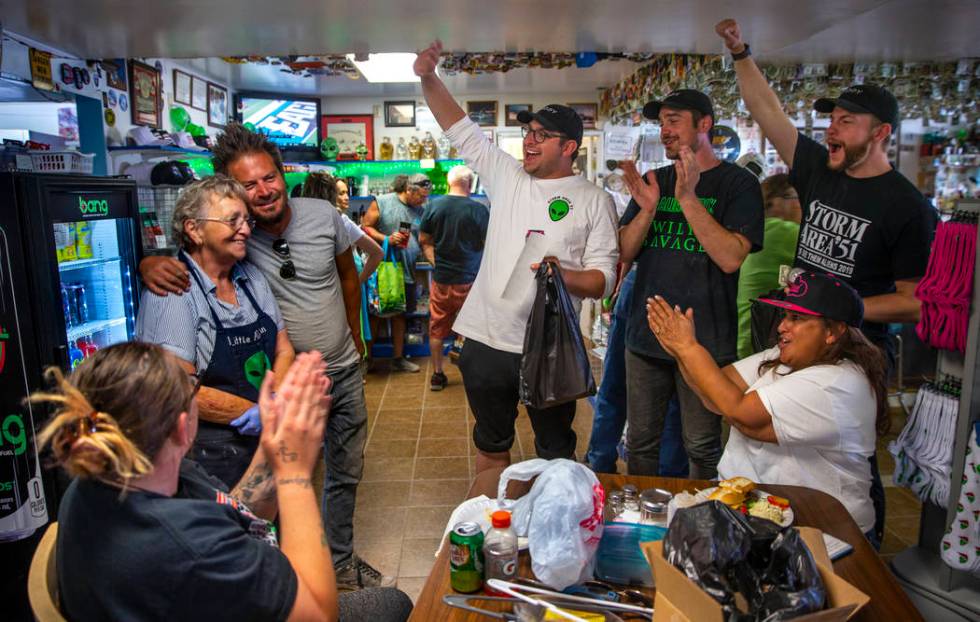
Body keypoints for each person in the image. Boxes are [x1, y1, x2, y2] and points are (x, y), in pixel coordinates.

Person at [716, 17, 937, 544]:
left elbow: (916, 304)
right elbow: (768, 112)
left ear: (880, 133)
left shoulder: (907, 207)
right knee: (783, 444)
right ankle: (786, 539)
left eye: (846, 122)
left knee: (846, 458)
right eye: (832, 120)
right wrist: (741, 53)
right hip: (798, 330)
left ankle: (862, 550)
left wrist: (843, 309)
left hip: (854, 349)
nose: (831, 130)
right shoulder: (819, 170)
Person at [140, 124, 387, 590]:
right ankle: (292, 575)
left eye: (269, 177)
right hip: (264, 404)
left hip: (335, 372)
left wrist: (355, 340)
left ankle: (333, 562)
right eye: (247, 186)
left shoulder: (308, 223)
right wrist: (147, 262)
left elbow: (345, 279)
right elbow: (190, 257)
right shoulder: (226, 245)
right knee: (288, 481)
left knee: (344, 471)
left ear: (282, 173)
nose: (262, 192)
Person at [35, 344, 413, 621]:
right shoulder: (190, 548)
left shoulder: (97, 484)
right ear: (183, 429)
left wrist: (272, 445)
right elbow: (318, 614)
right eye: (193, 387)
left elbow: (239, 511)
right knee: (391, 605)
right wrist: (295, 471)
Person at [414, 41, 619, 473]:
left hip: (552, 348)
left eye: (542, 136)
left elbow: (604, 279)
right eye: (528, 132)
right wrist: (428, 77)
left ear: (569, 148)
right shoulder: (506, 176)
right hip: (488, 341)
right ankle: (497, 528)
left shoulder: (594, 200)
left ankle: (550, 533)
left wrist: (563, 276)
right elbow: (458, 126)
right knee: (491, 447)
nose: (529, 141)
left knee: (555, 454)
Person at [646, 272, 887, 541]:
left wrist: (689, 348)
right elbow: (714, 394)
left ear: (833, 332)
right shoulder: (781, 357)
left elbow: (743, 415)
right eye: (785, 316)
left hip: (823, 530)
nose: (782, 327)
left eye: (797, 318)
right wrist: (680, 350)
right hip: (758, 517)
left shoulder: (839, 382)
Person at [618, 89, 764, 478]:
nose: (665, 130)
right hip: (645, 336)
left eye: (674, 120)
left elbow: (731, 258)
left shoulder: (738, 185)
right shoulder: (654, 180)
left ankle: (703, 524)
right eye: (661, 122)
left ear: (704, 125)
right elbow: (625, 251)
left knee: (702, 445)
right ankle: (642, 523)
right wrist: (648, 210)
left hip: (705, 340)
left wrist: (687, 198)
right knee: (641, 442)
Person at [136, 176, 295, 489]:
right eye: (232, 220)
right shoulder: (172, 291)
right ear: (194, 229)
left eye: (246, 220)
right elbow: (178, 386)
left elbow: (283, 348)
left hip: (265, 438)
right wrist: (258, 411)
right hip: (209, 452)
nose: (246, 229)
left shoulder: (251, 278)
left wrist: (274, 403)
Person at [418, 165, 490, 391]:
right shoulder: (479, 210)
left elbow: (424, 240)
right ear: (469, 183)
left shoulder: (433, 206)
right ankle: (473, 375)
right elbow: (490, 246)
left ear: (450, 182)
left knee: (437, 329)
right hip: (470, 281)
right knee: (472, 331)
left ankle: (437, 375)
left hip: (441, 280)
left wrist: (436, 262)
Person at [302, 172, 383, 364]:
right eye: (340, 193)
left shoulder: (301, 223)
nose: (345, 197)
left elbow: (377, 253)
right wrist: (357, 281)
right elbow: (377, 253)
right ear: (330, 195)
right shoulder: (339, 220)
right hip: (340, 290)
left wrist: (357, 281)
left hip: (322, 294)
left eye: (347, 192)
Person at [360, 173, 432, 373]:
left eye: (426, 197)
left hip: (407, 271)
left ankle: (398, 358)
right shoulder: (382, 202)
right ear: (409, 190)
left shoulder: (421, 209)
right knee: (375, 315)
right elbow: (364, 227)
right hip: (383, 271)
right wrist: (386, 239)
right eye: (421, 196)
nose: (423, 201)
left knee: (400, 315)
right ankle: (367, 359)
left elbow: (422, 238)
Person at [736, 174, 801, 358]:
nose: (800, 205)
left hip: (742, 334)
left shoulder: (755, 228)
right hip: (759, 339)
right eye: (795, 198)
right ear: (775, 203)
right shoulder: (782, 232)